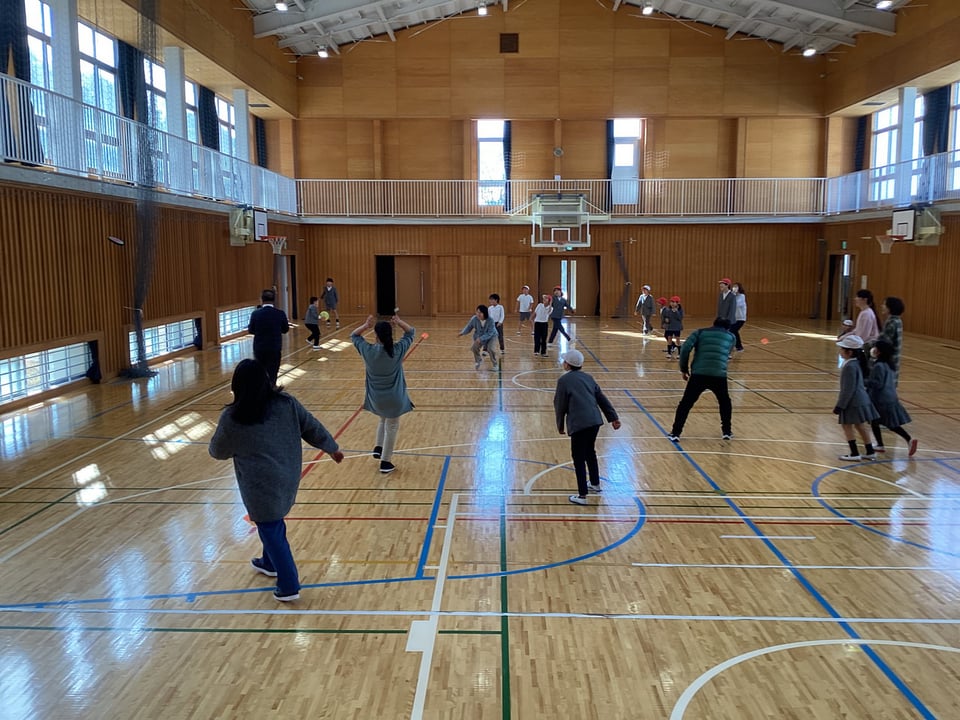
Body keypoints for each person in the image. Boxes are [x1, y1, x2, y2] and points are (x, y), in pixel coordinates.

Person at [209, 359, 344, 602]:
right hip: (288, 476)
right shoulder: (286, 403)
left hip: (259, 486)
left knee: (271, 528)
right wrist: (331, 447)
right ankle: (268, 562)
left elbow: (217, 451)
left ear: (237, 386)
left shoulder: (233, 417)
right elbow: (311, 426)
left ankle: (289, 585)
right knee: (271, 523)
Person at [554, 349, 621, 506]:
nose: (563, 363)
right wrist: (613, 417)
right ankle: (595, 483)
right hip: (594, 421)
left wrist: (560, 424)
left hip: (579, 424)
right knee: (590, 452)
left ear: (568, 364)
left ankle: (582, 495)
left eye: (564, 361)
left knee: (578, 458)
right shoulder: (588, 378)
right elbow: (601, 398)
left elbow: (559, 404)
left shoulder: (563, 381)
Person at [351, 314, 416, 474]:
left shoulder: (367, 351)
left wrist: (365, 326)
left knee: (382, 419)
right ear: (390, 334)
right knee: (391, 427)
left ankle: (378, 447)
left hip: (376, 399)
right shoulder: (397, 350)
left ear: (376, 335)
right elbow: (410, 333)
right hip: (394, 399)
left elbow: (354, 335)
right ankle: (385, 462)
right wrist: (399, 322)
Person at [668, 317, 735, 442]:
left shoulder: (699, 332)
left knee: (685, 404)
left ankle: (675, 433)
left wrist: (684, 369)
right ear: (727, 328)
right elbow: (727, 352)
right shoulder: (731, 336)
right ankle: (727, 432)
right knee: (725, 402)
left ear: (714, 324)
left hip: (699, 374)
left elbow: (685, 348)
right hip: (719, 375)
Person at [867, 338, 917, 457]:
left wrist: (863, 381)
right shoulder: (890, 365)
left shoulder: (879, 366)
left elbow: (877, 383)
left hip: (881, 399)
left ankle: (908, 439)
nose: (873, 349)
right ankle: (880, 444)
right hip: (890, 396)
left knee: (888, 423)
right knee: (876, 421)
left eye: (876, 348)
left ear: (879, 351)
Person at [834, 334, 879, 462]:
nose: (840, 351)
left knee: (846, 425)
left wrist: (840, 405)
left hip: (853, 402)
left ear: (849, 352)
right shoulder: (856, 363)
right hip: (861, 399)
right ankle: (870, 451)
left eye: (842, 349)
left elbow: (848, 389)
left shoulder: (849, 366)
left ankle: (854, 453)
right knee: (860, 425)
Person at [247, 288, 289, 384]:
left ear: (261, 299)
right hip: (274, 348)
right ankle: (272, 389)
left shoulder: (255, 313)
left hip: (260, 348)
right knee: (273, 372)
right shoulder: (280, 313)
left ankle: (261, 391)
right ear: (274, 300)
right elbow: (285, 329)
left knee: (260, 372)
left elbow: (251, 330)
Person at [459, 304, 499, 369]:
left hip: (492, 336)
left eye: (480, 313)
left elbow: (490, 333)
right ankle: (478, 360)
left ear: (485, 313)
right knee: (474, 348)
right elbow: (469, 326)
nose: (478, 314)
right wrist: (462, 332)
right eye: (477, 312)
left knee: (490, 349)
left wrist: (481, 338)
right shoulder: (474, 319)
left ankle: (495, 364)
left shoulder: (490, 320)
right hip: (480, 336)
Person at [876, 296, 906, 379]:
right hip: (893, 361)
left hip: (888, 361)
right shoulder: (898, 320)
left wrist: (867, 346)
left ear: (890, 308)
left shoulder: (892, 322)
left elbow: (883, 343)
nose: (882, 306)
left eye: (884, 305)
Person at [730, 282, 747, 352]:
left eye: (736, 287)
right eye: (733, 286)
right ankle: (733, 345)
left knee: (733, 330)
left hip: (740, 318)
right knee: (731, 331)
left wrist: (733, 295)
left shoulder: (742, 296)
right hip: (733, 318)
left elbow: (737, 304)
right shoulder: (732, 296)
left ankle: (739, 347)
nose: (734, 288)